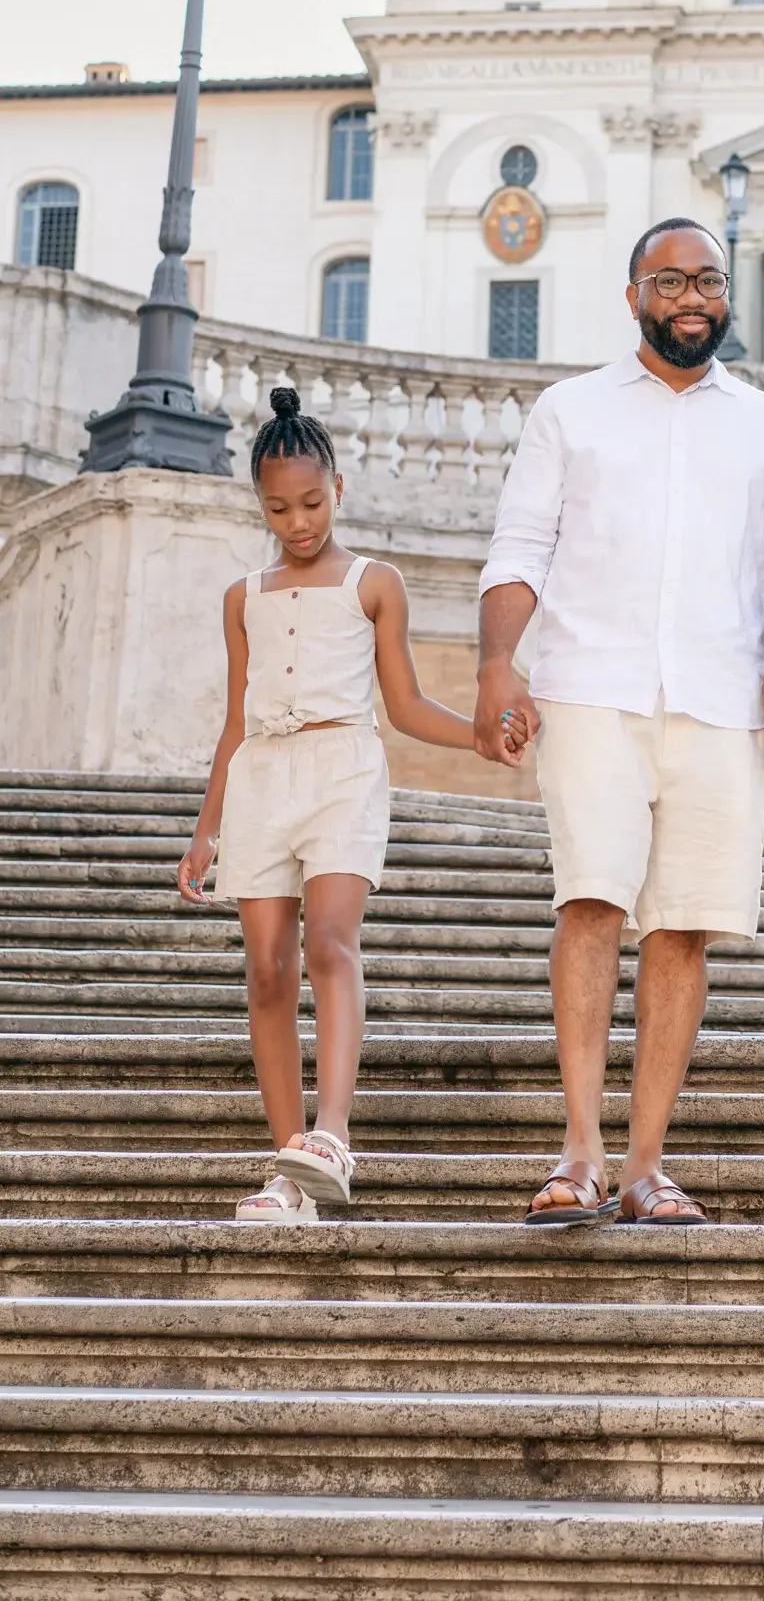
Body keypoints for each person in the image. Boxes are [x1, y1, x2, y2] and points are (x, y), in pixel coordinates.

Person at [474, 219, 764, 1227]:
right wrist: (499, 663)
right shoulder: (567, 410)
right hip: (590, 688)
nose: (691, 297)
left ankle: (643, 1165)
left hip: (720, 701)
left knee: (682, 928)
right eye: (669, 280)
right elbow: (519, 544)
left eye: (707, 279)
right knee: (590, 901)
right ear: (632, 296)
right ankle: (578, 1151)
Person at [177, 385, 486, 1223]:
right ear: (261, 507)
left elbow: (409, 706)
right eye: (278, 508)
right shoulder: (243, 597)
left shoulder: (373, 583)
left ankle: (333, 1131)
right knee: (268, 969)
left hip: (344, 766)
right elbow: (234, 721)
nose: (298, 522)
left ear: (338, 489)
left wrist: (482, 737)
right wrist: (205, 831)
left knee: (330, 942)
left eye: (311, 502)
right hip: (261, 779)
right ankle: (287, 1172)